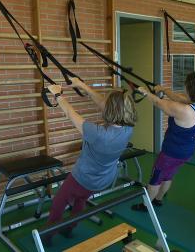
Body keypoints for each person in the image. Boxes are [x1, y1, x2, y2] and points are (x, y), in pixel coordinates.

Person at [44, 78, 137, 245]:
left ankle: (47, 235)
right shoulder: (128, 128)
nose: (103, 104)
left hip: (83, 177)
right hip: (103, 179)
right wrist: (82, 86)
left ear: (110, 111)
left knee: (59, 201)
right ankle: (70, 228)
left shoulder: (98, 133)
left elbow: (70, 114)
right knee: (81, 200)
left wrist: (57, 94)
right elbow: (103, 104)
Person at [131, 71, 195, 211]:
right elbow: (178, 97)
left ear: (190, 87)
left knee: (156, 177)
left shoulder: (184, 110)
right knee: (168, 175)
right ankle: (159, 199)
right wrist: (162, 89)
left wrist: (144, 92)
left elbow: (158, 102)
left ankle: (146, 206)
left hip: (171, 152)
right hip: (186, 151)